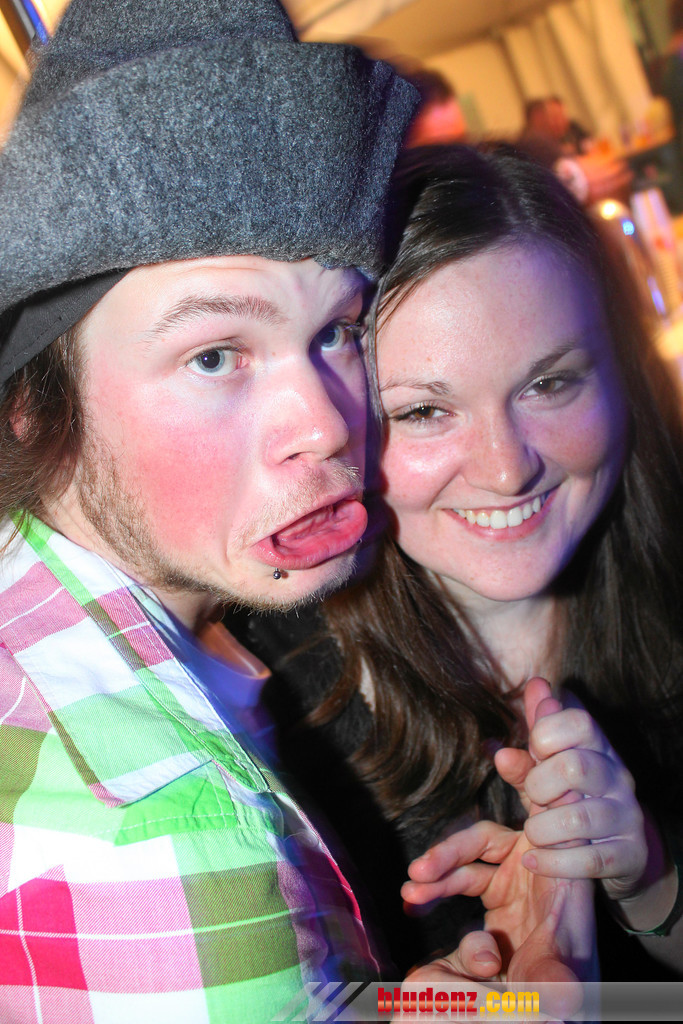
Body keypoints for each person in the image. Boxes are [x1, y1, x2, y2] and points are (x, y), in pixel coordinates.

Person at [0, 2, 596, 1020]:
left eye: (336, 333)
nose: (326, 425)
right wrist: (549, 998)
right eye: (214, 355)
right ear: (31, 406)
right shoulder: (166, 832)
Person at [232, 144, 683, 980]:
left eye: (549, 384)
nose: (506, 469)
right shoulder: (260, 697)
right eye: (425, 412)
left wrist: (655, 887)